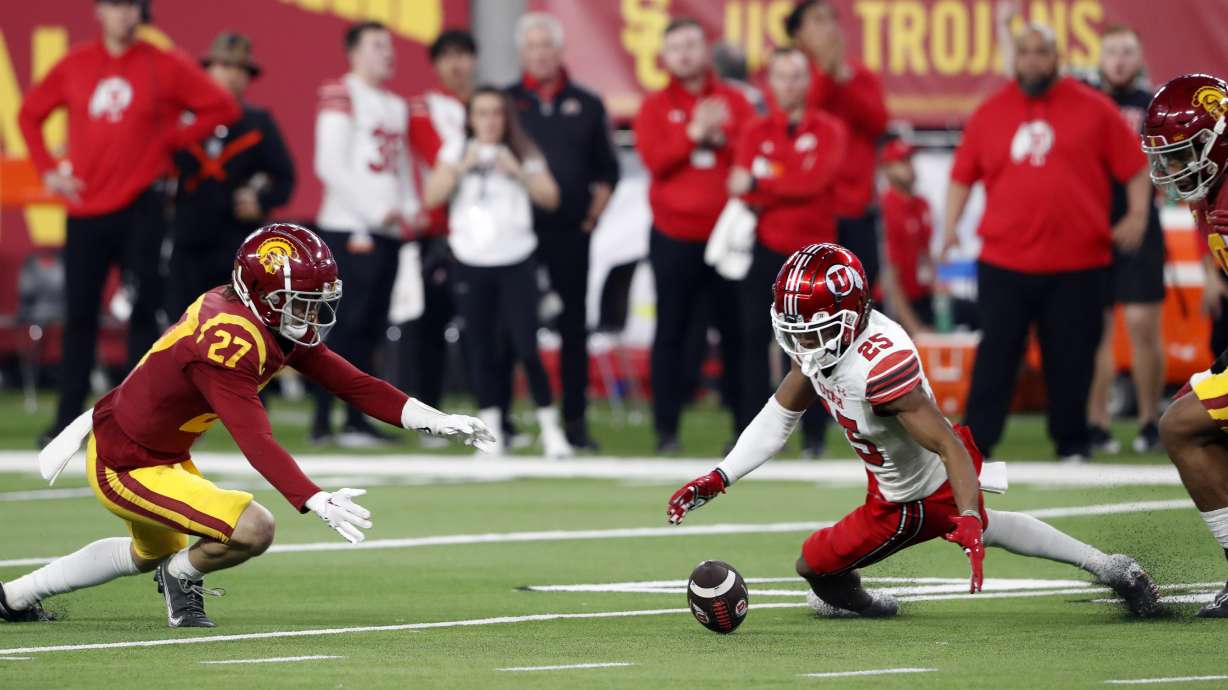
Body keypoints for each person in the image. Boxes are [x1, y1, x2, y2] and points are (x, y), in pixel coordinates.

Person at [0, 224, 495, 627]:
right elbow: (254, 438)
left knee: (151, 551)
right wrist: (312, 497)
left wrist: (435, 419)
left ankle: (13, 596)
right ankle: (180, 576)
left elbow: (352, 382)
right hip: (126, 461)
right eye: (299, 299)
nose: (311, 312)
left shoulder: (257, 315)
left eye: (315, 298)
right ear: (261, 293)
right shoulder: (230, 340)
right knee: (254, 528)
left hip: (155, 450)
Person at [666, 243, 1161, 619]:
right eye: (794, 326)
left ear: (852, 314)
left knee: (814, 568)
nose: (801, 341)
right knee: (994, 527)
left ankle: (869, 603)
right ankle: (1109, 565)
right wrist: (720, 475)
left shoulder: (878, 368)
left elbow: (946, 444)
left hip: (909, 500)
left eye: (812, 329)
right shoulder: (831, 346)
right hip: (900, 478)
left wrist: (965, 511)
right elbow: (780, 415)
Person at [18, 0, 241, 446]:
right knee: (80, 315)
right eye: (116, 6)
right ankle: (66, 421)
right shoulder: (76, 64)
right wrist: (48, 170)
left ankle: (142, 421)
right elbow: (29, 114)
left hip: (142, 206)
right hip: (85, 209)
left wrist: (171, 142)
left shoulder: (163, 64)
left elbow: (222, 107)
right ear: (99, 11)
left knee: (143, 314)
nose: (124, 15)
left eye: (132, 7)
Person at [943, 24, 1150, 462]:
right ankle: (975, 446)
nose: (1034, 60)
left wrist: (1137, 215)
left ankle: (1073, 444)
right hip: (1004, 259)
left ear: (1057, 56)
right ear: (1014, 58)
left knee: (1071, 358)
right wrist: (949, 229)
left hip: (1078, 261)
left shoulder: (1096, 109)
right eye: (1026, 52)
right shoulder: (990, 112)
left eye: (1042, 52)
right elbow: (962, 177)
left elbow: (1134, 167)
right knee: (996, 355)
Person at [422, 87, 573, 458]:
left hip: (516, 261)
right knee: (479, 346)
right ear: (471, 118)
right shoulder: (457, 149)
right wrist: (462, 168)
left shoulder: (522, 149)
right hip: (471, 263)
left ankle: (552, 431)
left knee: (526, 346)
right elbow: (431, 196)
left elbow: (551, 197)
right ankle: (490, 436)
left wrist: (518, 171)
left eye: (496, 113)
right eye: (482, 113)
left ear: (506, 118)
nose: (489, 121)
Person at [634, 17, 756, 452]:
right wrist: (693, 134)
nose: (685, 53)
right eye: (676, 46)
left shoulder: (735, 102)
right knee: (671, 332)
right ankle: (665, 431)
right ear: (664, 57)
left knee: (737, 333)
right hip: (673, 235)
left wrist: (721, 137)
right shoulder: (653, 106)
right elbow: (655, 160)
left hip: (727, 239)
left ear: (707, 51)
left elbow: (750, 155)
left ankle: (745, 433)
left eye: (692, 44)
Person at [505, 13, 621, 450]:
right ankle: (506, 420)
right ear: (523, 52)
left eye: (547, 46)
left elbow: (609, 173)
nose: (540, 54)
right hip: (515, 234)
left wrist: (591, 220)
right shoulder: (507, 102)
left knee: (573, 328)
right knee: (512, 326)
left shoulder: (587, 103)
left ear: (559, 50)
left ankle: (575, 422)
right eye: (533, 46)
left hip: (571, 232)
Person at [311, 21, 422, 447]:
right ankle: (326, 420)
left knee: (373, 325)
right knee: (343, 324)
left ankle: (357, 418)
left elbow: (398, 166)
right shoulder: (342, 92)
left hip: (387, 228)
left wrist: (408, 208)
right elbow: (329, 163)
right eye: (377, 45)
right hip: (350, 225)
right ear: (354, 53)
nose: (388, 53)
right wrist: (374, 209)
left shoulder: (394, 104)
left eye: (390, 45)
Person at [729, 47, 846, 436]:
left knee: (814, 347)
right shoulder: (755, 130)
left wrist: (765, 182)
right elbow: (739, 188)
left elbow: (815, 182)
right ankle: (749, 429)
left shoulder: (829, 129)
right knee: (751, 339)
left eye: (797, 76)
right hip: (766, 247)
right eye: (781, 76)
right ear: (770, 82)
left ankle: (814, 434)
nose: (789, 84)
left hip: (812, 255)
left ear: (809, 82)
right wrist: (782, 180)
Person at [1150, 73, 1228, 618]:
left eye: (1183, 155)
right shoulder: (1214, 194)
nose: (1174, 170)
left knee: (1181, 425)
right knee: (1194, 414)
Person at [166, 31, 295, 318]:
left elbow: (285, 179)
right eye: (224, 67)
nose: (232, 76)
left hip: (236, 243)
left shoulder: (258, 124)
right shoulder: (182, 120)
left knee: (234, 325)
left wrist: (260, 201)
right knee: (183, 325)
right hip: (187, 240)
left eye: (240, 69)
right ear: (208, 69)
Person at [1085, 25, 1167, 455]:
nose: (1119, 59)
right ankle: (1096, 423)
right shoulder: (1084, 102)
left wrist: (1139, 213)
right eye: (1112, 51)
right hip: (1091, 227)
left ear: (1139, 59)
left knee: (1142, 324)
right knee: (1094, 329)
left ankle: (1151, 420)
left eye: (1127, 52)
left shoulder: (1154, 105)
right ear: (1099, 59)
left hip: (1142, 227)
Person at [397, 30, 476, 439]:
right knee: (427, 328)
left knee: (485, 326)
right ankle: (428, 419)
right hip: (437, 232)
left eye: (463, 55)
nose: (456, 64)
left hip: (484, 233)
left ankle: (492, 414)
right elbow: (435, 155)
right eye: (447, 57)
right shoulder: (424, 107)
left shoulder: (490, 106)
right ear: (436, 64)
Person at [784, 0, 888, 288]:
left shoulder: (859, 76)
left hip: (855, 207)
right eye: (817, 20)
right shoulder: (789, 78)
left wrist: (842, 80)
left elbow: (878, 122)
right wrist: (827, 77)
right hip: (808, 210)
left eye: (832, 19)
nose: (828, 28)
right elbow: (800, 120)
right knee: (807, 298)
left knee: (856, 297)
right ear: (798, 35)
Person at [880, 139, 935, 334]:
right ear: (886, 170)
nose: (909, 166)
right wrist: (915, 329)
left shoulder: (922, 205)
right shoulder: (885, 210)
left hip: (922, 296)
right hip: (891, 307)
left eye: (910, 159)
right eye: (902, 161)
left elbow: (927, 258)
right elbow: (889, 280)